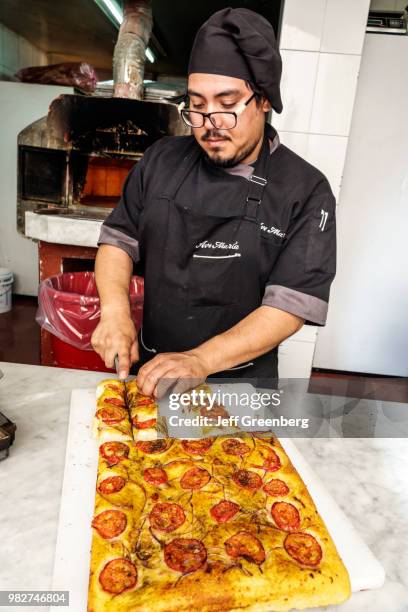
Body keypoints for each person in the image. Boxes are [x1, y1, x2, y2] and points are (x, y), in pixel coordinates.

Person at [92, 7, 336, 398]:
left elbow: (291, 305)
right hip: (153, 372)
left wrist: (202, 360)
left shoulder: (306, 190)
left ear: (263, 100)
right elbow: (118, 241)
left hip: (242, 388)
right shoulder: (161, 159)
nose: (209, 122)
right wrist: (116, 312)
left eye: (226, 102)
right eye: (197, 105)